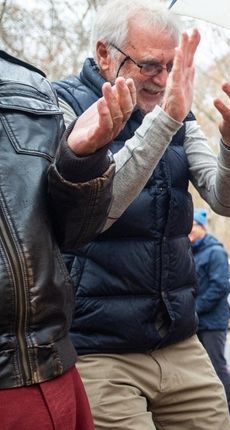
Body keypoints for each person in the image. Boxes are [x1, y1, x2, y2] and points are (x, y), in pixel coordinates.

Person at [52, 0, 230, 427]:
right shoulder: (63, 106)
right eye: (149, 66)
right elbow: (96, 209)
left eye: (171, 67)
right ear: (104, 53)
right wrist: (167, 117)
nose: (163, 80)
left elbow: (226, 199)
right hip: (100, 349)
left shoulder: (176, 112)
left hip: (179, 341)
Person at [0, 50, 132, 429]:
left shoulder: (29, 84)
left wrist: (82, 157)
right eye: (149, 63)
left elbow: (73, 231)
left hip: (51, 367)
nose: (159, 75)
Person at [189, 208, 230, 424]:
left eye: (192, 226)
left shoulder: (215, 251)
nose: (188, 231)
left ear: (202, 227)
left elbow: (220, 286)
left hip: (213, 321)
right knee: (200, 367)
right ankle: (206, 409)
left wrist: (194, 308)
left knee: (216, 364)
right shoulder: (190, 251)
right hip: (196, 320)